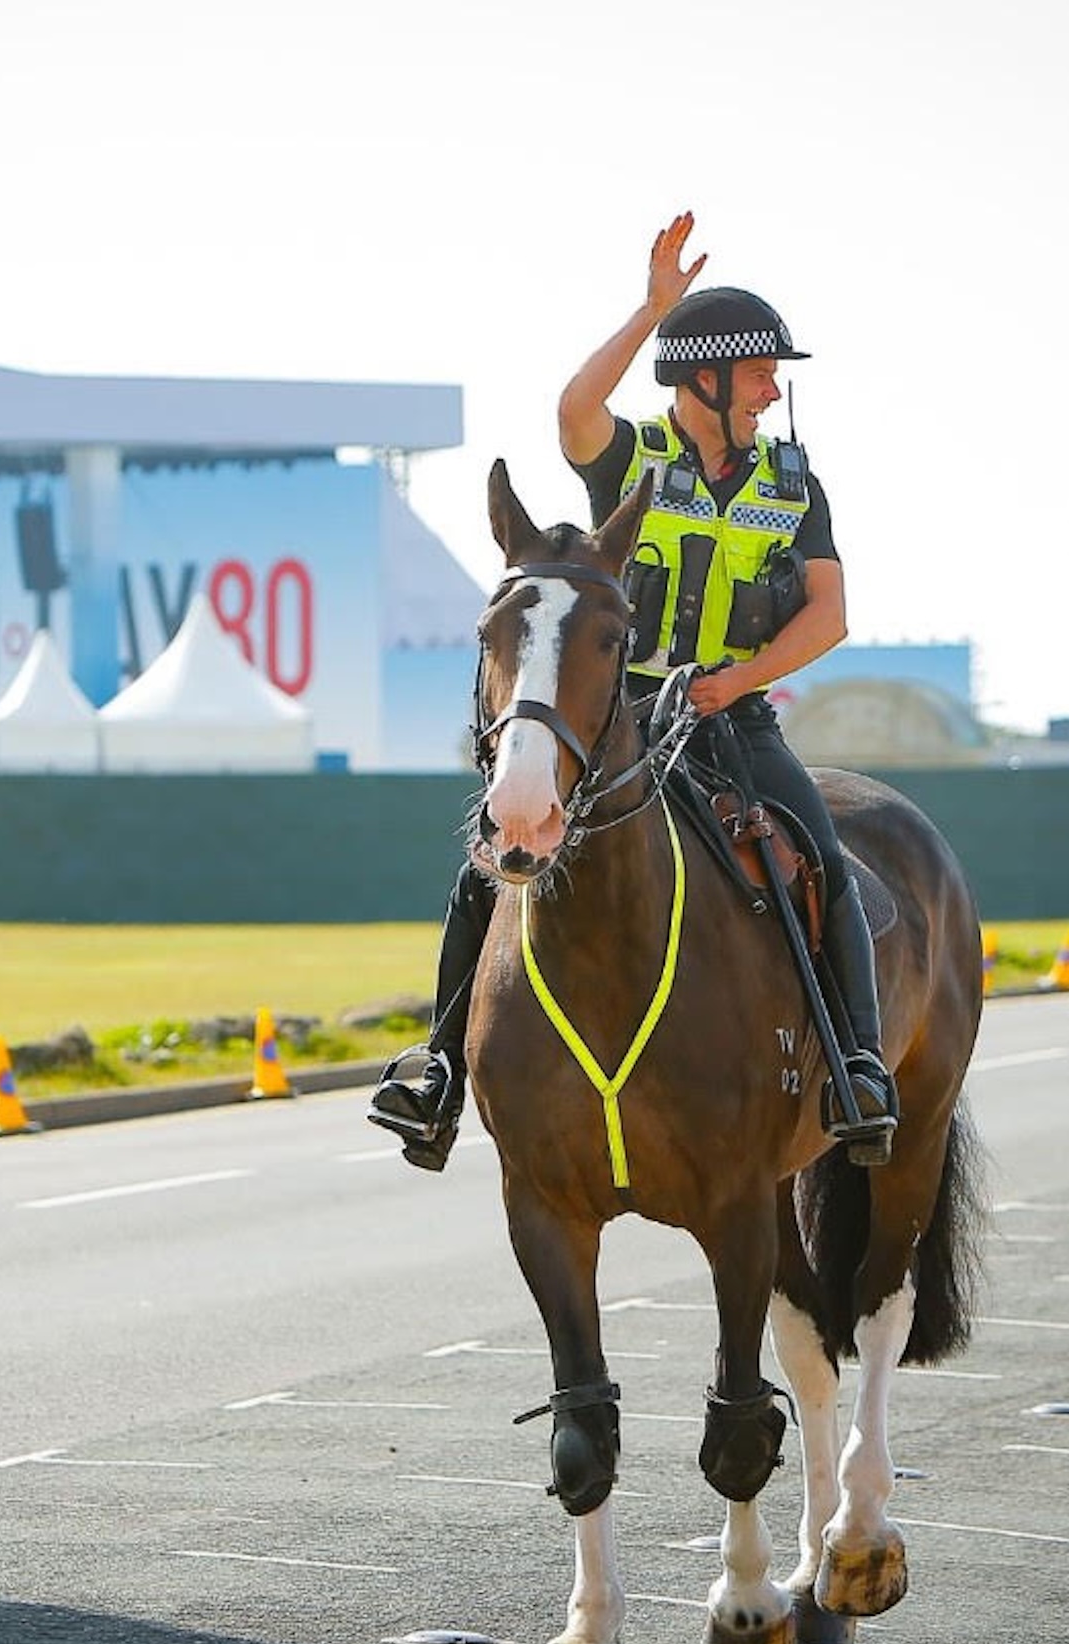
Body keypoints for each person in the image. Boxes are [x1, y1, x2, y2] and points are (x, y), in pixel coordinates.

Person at [369, 213, 898, 1171]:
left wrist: (736, 680)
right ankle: (438, 1068)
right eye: (759, 371)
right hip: (618, 717)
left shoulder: (793, 479)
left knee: (820, 855)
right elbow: (573, 409)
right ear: (703, 378)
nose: (774, 388)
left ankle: (857, 1064)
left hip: (730, 714)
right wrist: (650, 311)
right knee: (484, 869)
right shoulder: (632, 455)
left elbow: (829, 616)